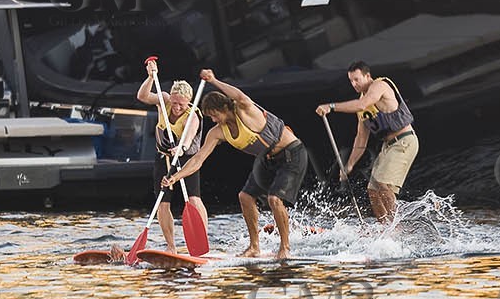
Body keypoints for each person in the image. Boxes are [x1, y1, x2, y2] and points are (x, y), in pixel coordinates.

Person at [163, 69, 306, 259]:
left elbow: (239, 95)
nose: (213, 120)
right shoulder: (218, 132)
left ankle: (285, 248)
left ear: (224, 108)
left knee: (274, 199)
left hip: (292, 154)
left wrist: (214, 80)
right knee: (245, 196)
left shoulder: (244, 110)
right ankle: (254, 247)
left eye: (214, 115)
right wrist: (175, 177)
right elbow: (198, 159)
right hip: (268, 159)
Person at [316, 61, 418, 225]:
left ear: (367, 76)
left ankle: (396, 227)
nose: (354, 84)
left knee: (383, 184)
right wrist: (349, 165)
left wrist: (331, 106)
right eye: (351, 81)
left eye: (357, 79)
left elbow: (362, 104)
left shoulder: (379, 85)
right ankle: (384, 228)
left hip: (404, 141)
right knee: (373, 189)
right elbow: (361, 139)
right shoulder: (362, 106)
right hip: (388, 146)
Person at [136, 60, 208, 251]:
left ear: (189, 102)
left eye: (181, 105)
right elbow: (142, 96)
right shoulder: (164, 99)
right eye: (174, 103)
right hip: (163, 157)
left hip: (186, 159)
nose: (176, 107)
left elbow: (189, 136)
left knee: (193, 199)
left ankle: (202, 241)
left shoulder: (192, 115)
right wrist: (151, 77)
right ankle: (171, 246)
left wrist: (182, 148)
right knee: (162, 201)